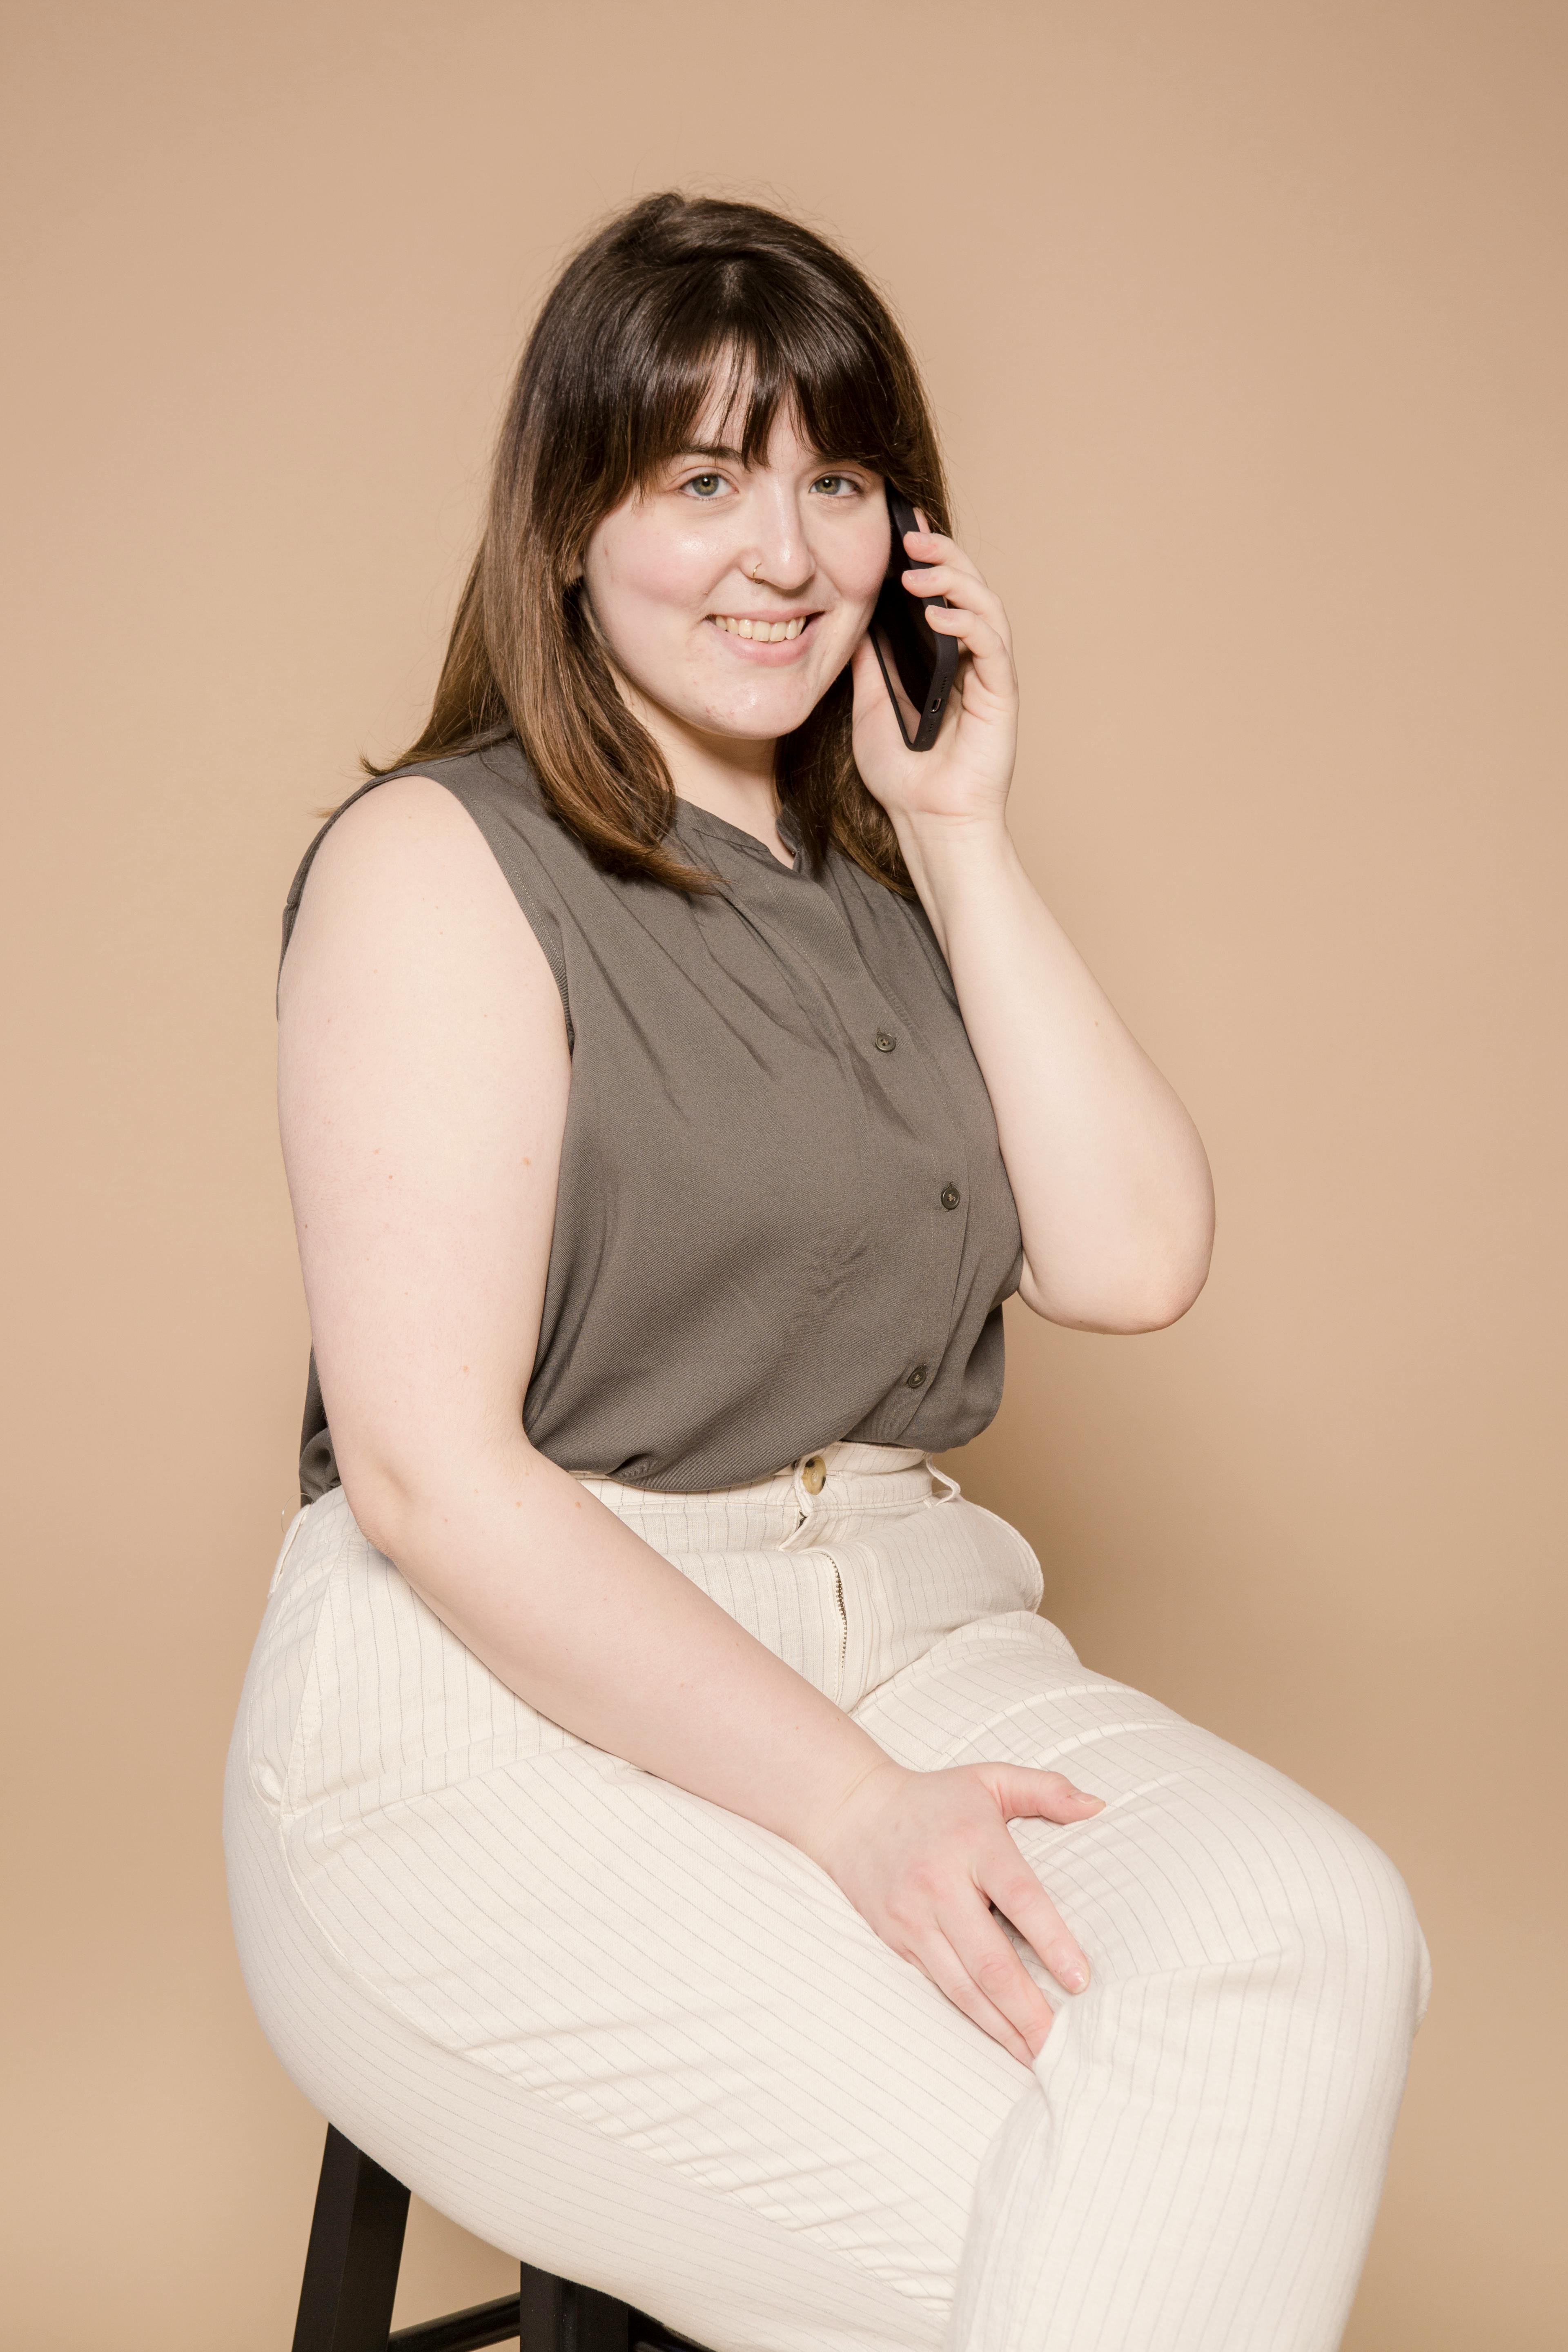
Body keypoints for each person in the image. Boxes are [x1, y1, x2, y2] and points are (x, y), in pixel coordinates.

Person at [225, 193, 1428, 2352]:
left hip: (917, 1634)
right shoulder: (440, 862)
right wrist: (853, 1812)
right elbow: (430, 1483)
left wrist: (963, 827)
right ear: (571, 522)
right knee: (1083, 2208)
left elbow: (1137, 1258)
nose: (784, 553)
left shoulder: (889, 885)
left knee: (1317, 1932)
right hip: (494, 1701)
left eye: (839, 482)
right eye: (703, 481)